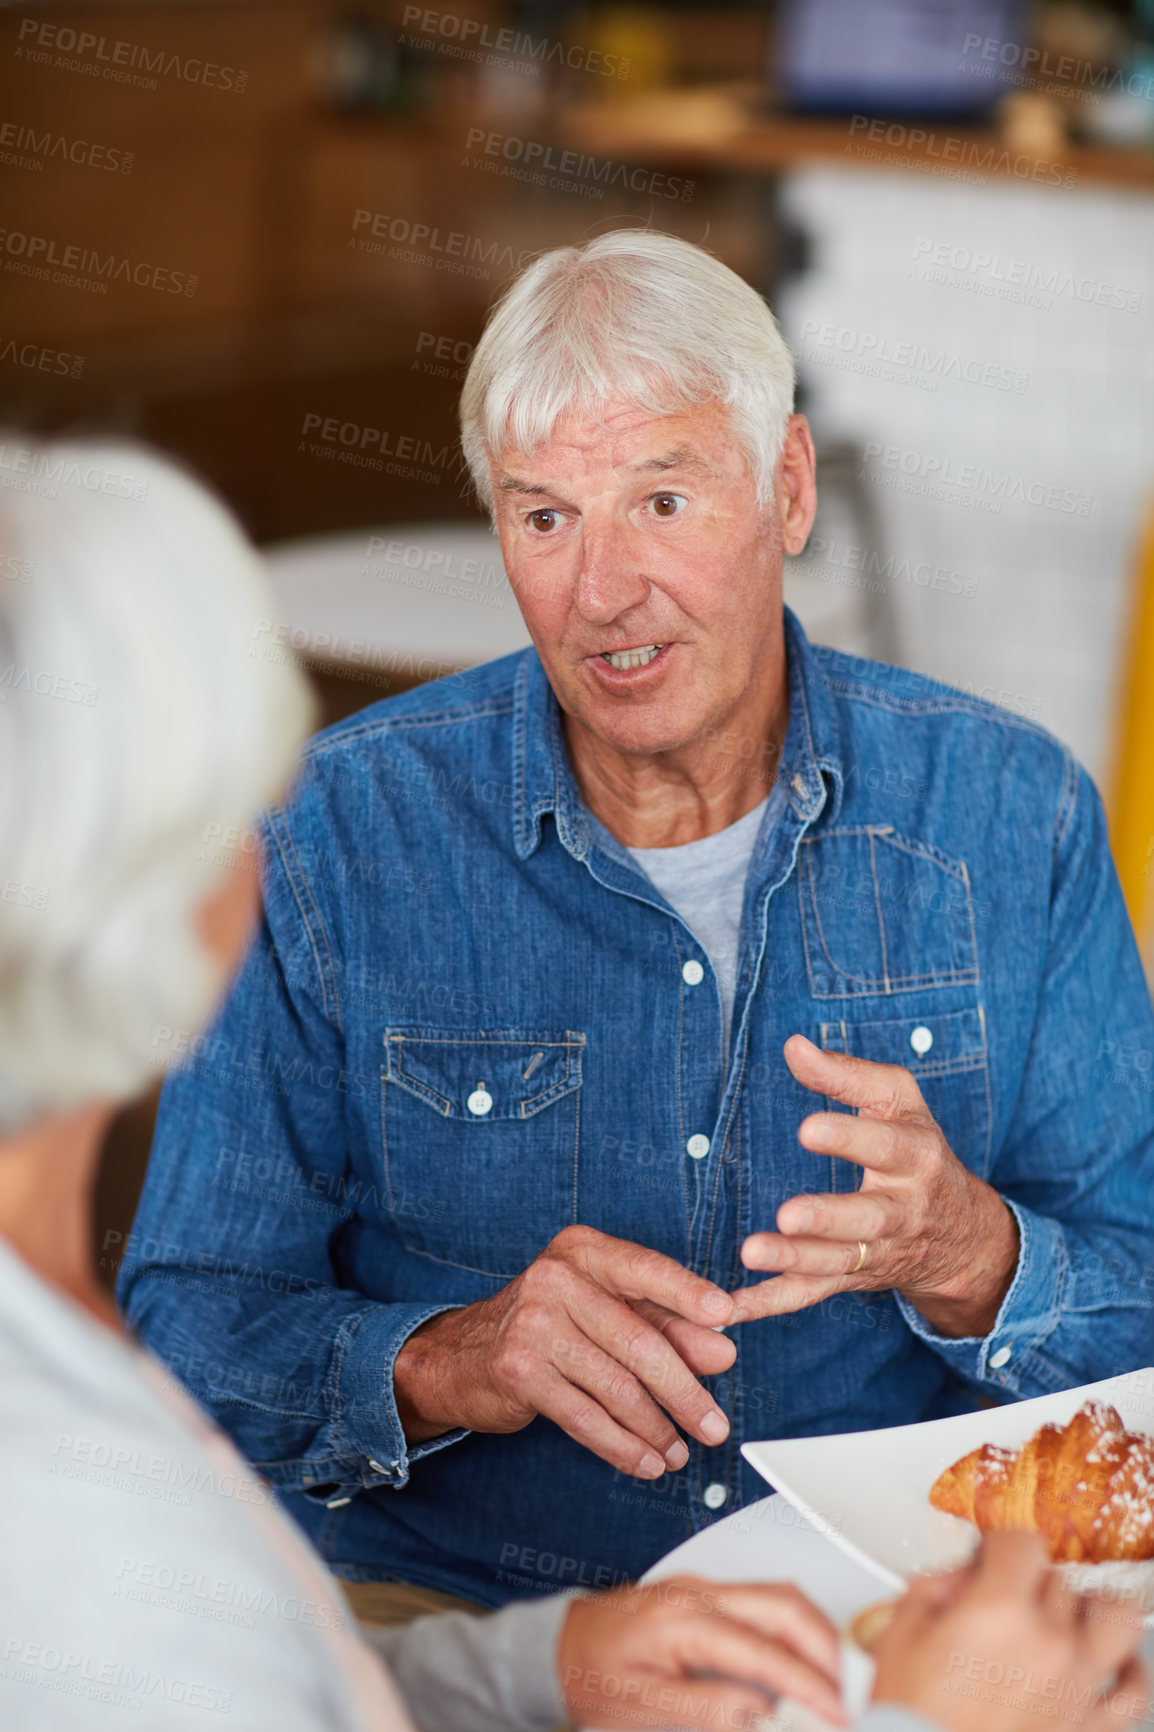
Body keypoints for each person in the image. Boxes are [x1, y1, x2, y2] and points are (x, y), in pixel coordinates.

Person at [1, 440, 1145, 1732]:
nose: (603, 590)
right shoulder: (95, 1539)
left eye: (663, 502)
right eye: (544, 517)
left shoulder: (1012, 807)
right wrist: (934, 1723)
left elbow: (312, 1688)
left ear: (787, 490)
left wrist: (543, 1669)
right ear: (204, 896)